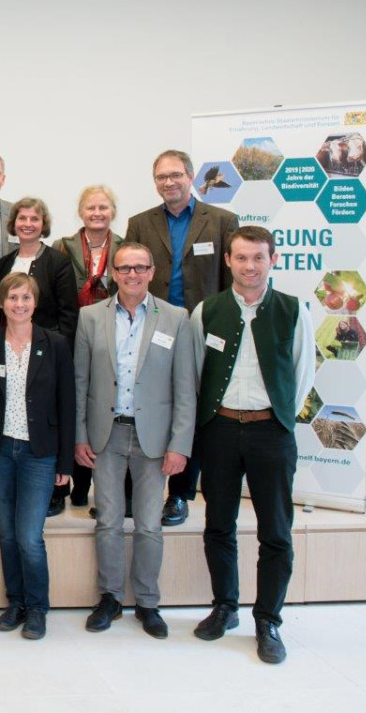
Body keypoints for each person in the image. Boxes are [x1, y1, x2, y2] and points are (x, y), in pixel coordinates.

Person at [190, 226, 314, 664]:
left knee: (275, 532)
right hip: (220, 430)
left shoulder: (293, 310)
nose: (249, 266)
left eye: (258, 258)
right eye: (241, 258)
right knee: (219, 524)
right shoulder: (207, 310)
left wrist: (279, 417)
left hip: (271, 433)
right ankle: (225, 607)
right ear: (228, 261)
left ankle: (268, 619)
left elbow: (302, 375)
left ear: (273, 260)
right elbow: (196, 373)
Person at [74, 243, 196, 639]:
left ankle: (147, 601)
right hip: (105, 434)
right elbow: (80, 383)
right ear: (113, 272)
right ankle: (109, 597)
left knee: (148, 526)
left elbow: (185, 388)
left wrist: (180, 444)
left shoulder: (176, 318)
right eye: (124, 268)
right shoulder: (90, 317)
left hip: (154, 437)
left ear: (152, 271)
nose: (131, 275)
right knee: (108, 522)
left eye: (139, 268)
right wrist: (80, 436)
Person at [125, 149, 239, 526]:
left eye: (175, 175)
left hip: (201, 331)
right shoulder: (140, 223)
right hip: (152, 329)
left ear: (191, 177)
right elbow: (129, 275)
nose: (168, 182)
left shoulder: (222, 221)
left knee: (191, 408)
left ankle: (179, 494)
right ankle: (139, 490)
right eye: (161, 177)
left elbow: (231, 283)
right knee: (148, 404)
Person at [0, 273, 75, 641]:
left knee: (29, 536)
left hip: (39, 453)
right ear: (1, 303)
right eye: (12, 298)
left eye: (26, 298)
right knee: (6, 533)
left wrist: (66, 464)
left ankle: (37, 608)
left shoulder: (56, 344)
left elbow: (67, 402)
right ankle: (15, 602)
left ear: (36, 303)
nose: (19, 304)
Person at [53, 185, 125, 511]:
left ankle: (108, 486)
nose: (97, 214)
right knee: (75, 405)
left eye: (103, 208)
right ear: (81, 212)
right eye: (90, 208)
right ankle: (76, 483)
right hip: (72, 334)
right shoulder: (63, 246)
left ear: (113, 211)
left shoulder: (125, 248)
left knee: (105, 405)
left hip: (113, 335)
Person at [0, 198, 78, 347]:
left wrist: (61, 350)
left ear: (43, 225)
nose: (27, 224)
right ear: (14, 223)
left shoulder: (59, 262)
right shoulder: (4, 263)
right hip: (9, 344)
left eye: (34, 219)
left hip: (48, 346)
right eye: (22, 218)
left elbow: (68, 315)